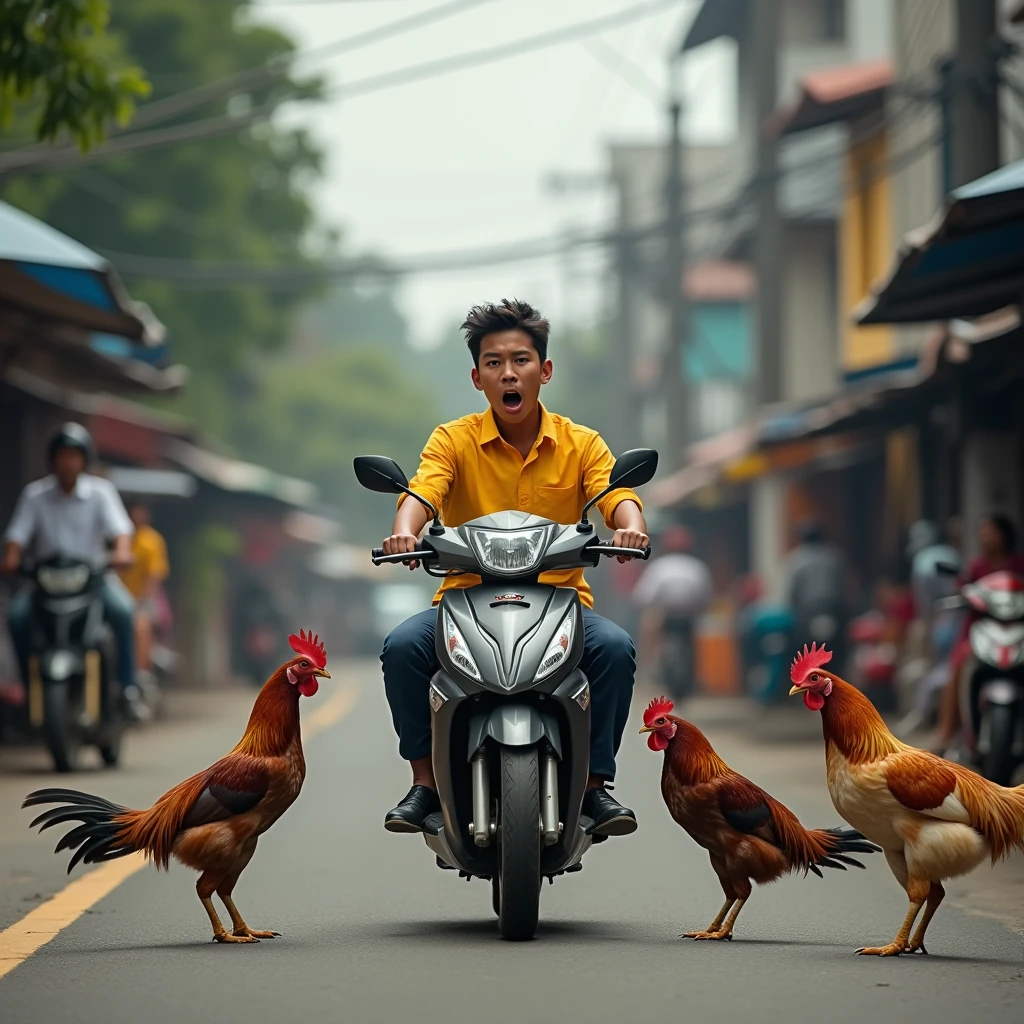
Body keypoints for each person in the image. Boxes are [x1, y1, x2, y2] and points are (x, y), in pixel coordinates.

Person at [379, 299, 649, 836]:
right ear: (477, 376)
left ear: (544, 371)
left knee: (616, 650)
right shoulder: (451, 440)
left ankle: (596, 788)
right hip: (463, 601)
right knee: (403, 647)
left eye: (521, 360)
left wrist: (630, 523)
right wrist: (406, 529)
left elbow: (615, 492)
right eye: (495, 362)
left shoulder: (581, 443)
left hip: (562, 604)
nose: (509, 373)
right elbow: (423, 490)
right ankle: (424, 783)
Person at [1, 423, 144, 719]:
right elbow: (17, 535)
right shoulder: (35, 495)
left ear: (84, 460)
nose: (68, 463)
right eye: (62, 456)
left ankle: (127, 688)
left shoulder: (101, 493)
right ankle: (28, 688)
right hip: (46, 583)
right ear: (52, 459)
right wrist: (12, 557)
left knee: (123, 611)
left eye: (74, 456)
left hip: (93, 581)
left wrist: (121, 550)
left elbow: (120, 531)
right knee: (16, 617)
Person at [934, 514, 1024, 751]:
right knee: (959, 665)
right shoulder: (977, 566)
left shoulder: (1018, 564)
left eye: (990, 532)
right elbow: (963, 588)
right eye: (983, 533)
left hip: (1016, 628)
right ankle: (945, 732)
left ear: (1003, 535)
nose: (985, 538)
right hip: (981, 628)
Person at [632, 524, 712, 690]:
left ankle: (648, 667)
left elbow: (642, 597)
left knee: (647, 626)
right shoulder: (697, 567)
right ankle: (697, 676)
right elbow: (706, 597)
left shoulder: (659, 567)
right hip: (689, 618)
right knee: (698, 641)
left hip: (665, 617)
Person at [784, 519, 847, 669]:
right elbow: (843, 585)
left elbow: (792, 593)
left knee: (800, 650)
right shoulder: (834, 556)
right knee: (838, 650)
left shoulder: (795, 560)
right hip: (833, 609)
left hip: (807, 612)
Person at [118, 501, 169, 675]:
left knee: (141, 627)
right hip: (121, 596)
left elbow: (155, 575)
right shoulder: (119, 538)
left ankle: (140, 674)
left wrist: (142, 602)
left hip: (143, 599)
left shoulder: (152, 540)